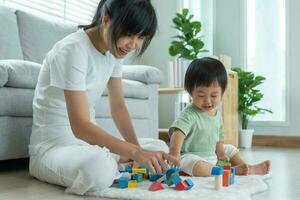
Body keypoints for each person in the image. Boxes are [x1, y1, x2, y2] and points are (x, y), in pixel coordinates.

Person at [29, 0, 179, 195]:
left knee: (157, 147)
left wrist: (137, 150)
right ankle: (114, 163)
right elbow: (81, 126)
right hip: (52, 149)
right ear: (106, 19)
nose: (133, 45)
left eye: (140, 37)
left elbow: (118, 107)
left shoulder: (113, 53)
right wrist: (135, 153)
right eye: (128, 34)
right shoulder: (73, 49)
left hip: (86, 146)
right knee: (99, 168)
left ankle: (119, 163)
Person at [168, 57, 271, 177]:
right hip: (193, 155)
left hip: (212, 154)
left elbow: (219, 137)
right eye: (201, 95)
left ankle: (247, 168)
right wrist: (174, 155)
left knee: (230, 149)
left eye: (214, 95)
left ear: (222, 92)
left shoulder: (217, 115)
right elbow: (178, 133)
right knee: (189, 162)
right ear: (190, 92)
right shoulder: (189, 114)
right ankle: (229, 171)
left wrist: (221, 153)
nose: (207, 101)